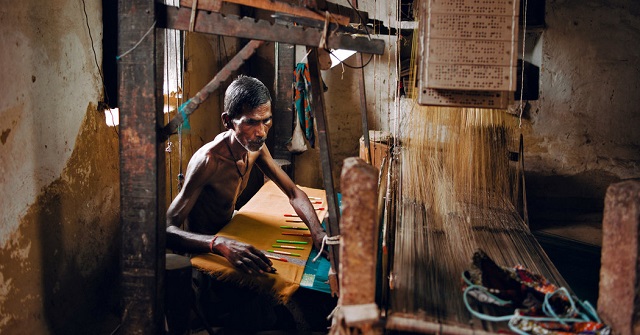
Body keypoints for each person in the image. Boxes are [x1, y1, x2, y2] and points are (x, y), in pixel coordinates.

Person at [166, 75, 326, 275]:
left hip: (231, 232)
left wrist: (318, 233)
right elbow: (167, 230)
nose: (261, 132)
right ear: (228, 121)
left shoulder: (255, 148)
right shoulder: (208, 162)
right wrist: (218, 243)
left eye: (266, 120)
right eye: (251, 122)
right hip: (205, 250)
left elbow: (293, 192)